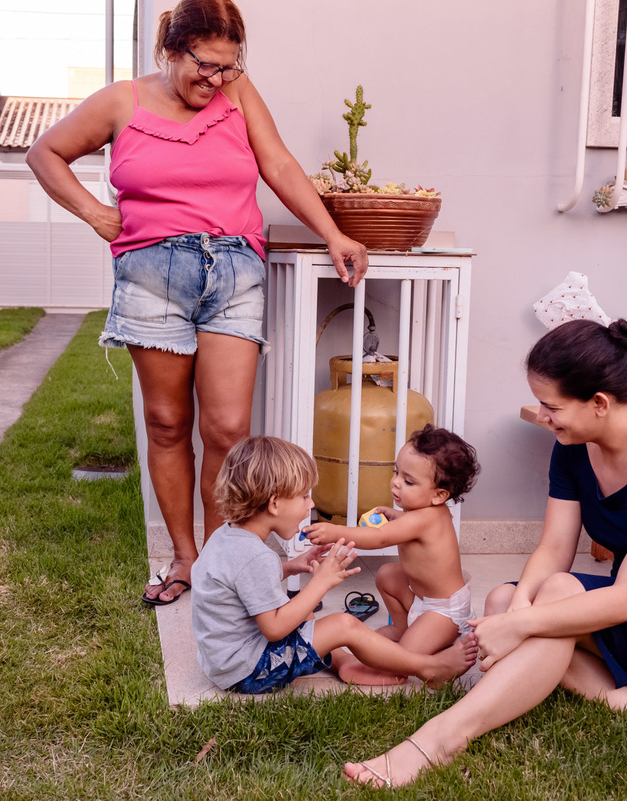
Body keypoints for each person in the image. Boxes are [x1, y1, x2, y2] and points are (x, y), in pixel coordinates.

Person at [26, 0, 369, 606]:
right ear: (170, 51)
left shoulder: (238, 95)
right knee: (166, 423)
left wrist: (333, 233)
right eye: (203, 65)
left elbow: (279, 164)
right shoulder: (123, 101)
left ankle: (219, 559)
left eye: (227, 67)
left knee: (229, 429)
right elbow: (44, 153)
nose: (214, 79)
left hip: (233, 272)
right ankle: (185, 558)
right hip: (152, 276)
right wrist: (97, 214)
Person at [344, 319, 627, 787]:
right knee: (505, 600)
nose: (543, 416)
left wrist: (521, 626)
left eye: (552, 406)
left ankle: (439, 740)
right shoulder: (574, 445)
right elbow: (552, 548)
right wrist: (517, 610)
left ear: (599, 403)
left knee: (552, 598)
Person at [192, 436, 477, 694]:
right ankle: (429, 668)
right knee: (343, 624)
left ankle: (342, 662)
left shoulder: (225, 536)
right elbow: (275, 629)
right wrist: (321, 583)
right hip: (252, 671)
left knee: (305, 614)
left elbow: (246, 583)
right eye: (304, 496)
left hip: (226, 663)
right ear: (275, 504)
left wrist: (291, 567)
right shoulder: (256, 557)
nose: (311, 504)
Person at [305, 425, 480, 685]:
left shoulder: (425, 518)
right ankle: (402, 628)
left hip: (443, 613)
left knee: (401, 660)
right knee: (387, 574)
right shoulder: (422, 513)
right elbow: (410, 526)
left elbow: (380, 537)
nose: (396, 482)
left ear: (439, 495)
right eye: (396, 472)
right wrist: (397, 515)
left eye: (409, 481)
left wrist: (335, 531)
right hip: (422, 599)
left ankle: (405, 668)